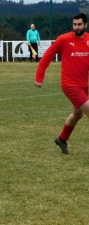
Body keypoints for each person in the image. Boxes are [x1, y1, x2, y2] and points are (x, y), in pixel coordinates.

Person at [34, 12, 89, 155]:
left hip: (84, 84)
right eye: (74, 24)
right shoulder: (63, 39)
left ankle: (62, 139)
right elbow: (47, 55)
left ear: (85, 25)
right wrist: (39, 76)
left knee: (77, 114)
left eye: (79, 24)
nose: (76, 27)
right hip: (70, 85)